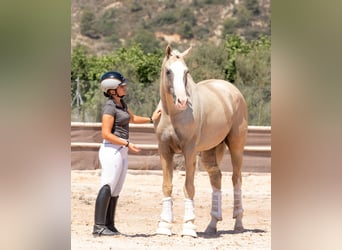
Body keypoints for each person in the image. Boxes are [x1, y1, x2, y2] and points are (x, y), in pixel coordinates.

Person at [92, 71, 161, 236]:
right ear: (112, 89)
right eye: (122, 85)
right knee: (108, 184)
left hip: (121, 150)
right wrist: (127, 143)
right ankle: (98, 226)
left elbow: (133, 118)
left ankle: (109, 225)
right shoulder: (110, 106)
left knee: (116, 188)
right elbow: (105, 133)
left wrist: (151, 119)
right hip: (111, 149)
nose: (125, 87)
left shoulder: (121, 103)